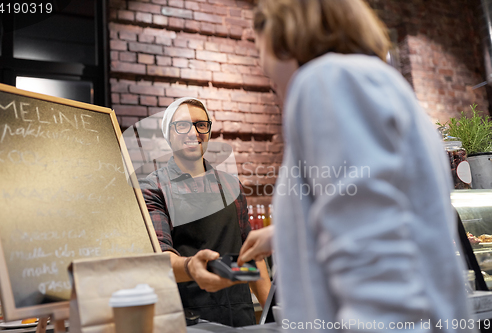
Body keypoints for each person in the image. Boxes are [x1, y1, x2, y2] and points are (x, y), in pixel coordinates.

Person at [238, 0, 475, 331]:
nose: (266, 74)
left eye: (262, 53)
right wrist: (285, 233)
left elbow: (378, 275)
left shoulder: (327, 82)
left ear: (286, 34)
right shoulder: (376, 84)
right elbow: (380, 212)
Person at [139, 97, 271, 327]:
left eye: (201, 124)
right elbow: (160, 257)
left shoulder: (231, 186)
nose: (193, 132)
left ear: (208, 131)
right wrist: (192, 266)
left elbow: (251, 253)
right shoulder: (154, 187)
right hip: (188, 320)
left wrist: (272, 313)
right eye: (182, 125)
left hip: (241, 317)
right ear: (168, 134)